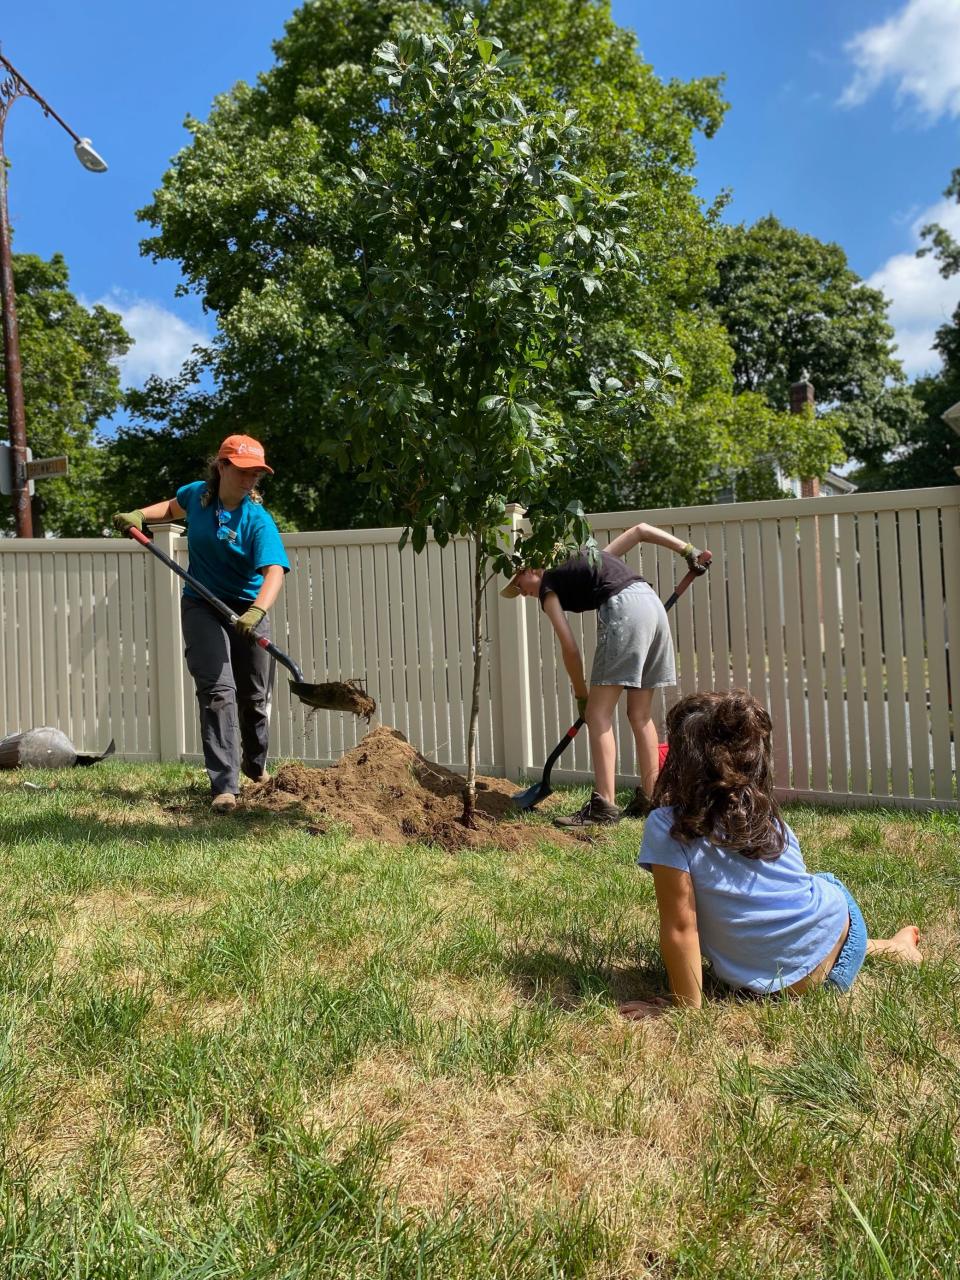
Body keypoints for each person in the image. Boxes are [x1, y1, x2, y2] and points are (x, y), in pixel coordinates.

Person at [619, 691, 922, 1019]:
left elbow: (681, 928)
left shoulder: (668, 826)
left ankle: (893, 948)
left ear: (680, 759)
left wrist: (685, 1006)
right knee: (812, 890)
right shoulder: (769, 821)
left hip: (770, 980)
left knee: (821, 883)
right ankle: (895, 949)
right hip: (830, 974)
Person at [113, 435, 290, 813]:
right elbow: (173, 507)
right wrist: (140, 515)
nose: (249, 480)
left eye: (256, 473)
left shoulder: (257, 520)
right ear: (222, 466)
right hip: (203, 605)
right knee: (217, 691)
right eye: (243, 471)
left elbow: (274, 570)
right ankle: (225, 786)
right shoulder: (198, 496)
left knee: (254, 697)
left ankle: (255, 767)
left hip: (248, 608)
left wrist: (256, 612)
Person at [501, 524, 707, 827]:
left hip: (625, 611)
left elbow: (569, 648)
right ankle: (653, 799)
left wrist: (582, 695)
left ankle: (604, 806)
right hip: (650, 605)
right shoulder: (591, 558)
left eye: (519, 585)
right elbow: (639, 531)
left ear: (530, 568)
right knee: (640, 715)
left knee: (598, 715)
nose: (522, 594)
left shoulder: (548, 585)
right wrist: (688, 551)